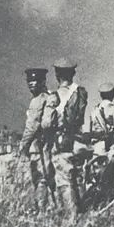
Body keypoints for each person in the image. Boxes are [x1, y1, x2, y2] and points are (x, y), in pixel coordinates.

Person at [18, 68, 59, 211]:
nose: (31, 83)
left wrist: (23, 147)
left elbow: (31, 127)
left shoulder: (37, 100)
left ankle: (42, 210)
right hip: (51, 146)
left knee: (40, 179)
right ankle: (53, 208)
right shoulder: (49, 97)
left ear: (42, 82)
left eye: (34, 80)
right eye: (29, 81)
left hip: (38, 147)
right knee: (50, 178)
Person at [52, 58, 88, 216]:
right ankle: (83, 213)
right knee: (77, 178)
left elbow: (48, 123)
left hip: (62, 142)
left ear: (57, 75)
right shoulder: (81, 92)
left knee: (65, 180)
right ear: (73, 73)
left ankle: (72, 218)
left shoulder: (54, 96)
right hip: (78, 140)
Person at [90, 83, 114, 156]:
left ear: (101, 95)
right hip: (109, 145)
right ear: (112, 94)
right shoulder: (113, 108)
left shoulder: (94, 109)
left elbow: (91, 129)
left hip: (96, 145)